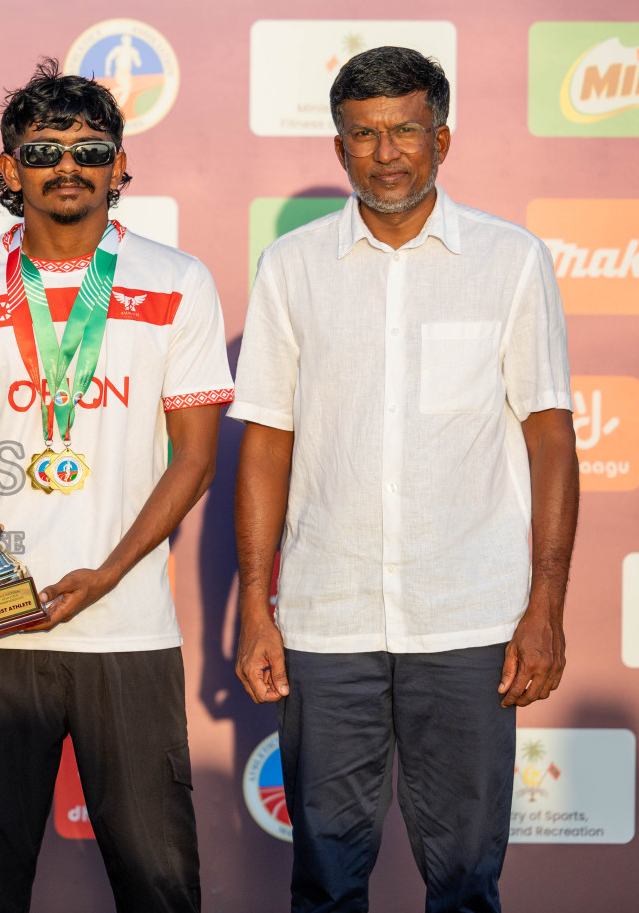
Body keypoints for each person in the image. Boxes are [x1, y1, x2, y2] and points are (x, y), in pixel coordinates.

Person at [231, 46, 578, 913]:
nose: (386, 154)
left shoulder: (511, 260)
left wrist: (546, 607)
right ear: (339, 147)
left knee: (464, 883)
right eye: (364, 135)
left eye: (405, 132)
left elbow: (550, 441)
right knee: (327, 882)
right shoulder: (292, 267)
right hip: (326, 617)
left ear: (443, 138)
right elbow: (266, 443)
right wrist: (253, 606)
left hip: (469, 618)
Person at [0, 59, 231, 912]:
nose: (68, 166)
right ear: (10, 169)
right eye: (44, 150)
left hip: (125, 626)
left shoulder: (177, 280)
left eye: (92, 149)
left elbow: (194, 457)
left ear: (121, 167)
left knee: (160, 884)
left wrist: (111, 574)